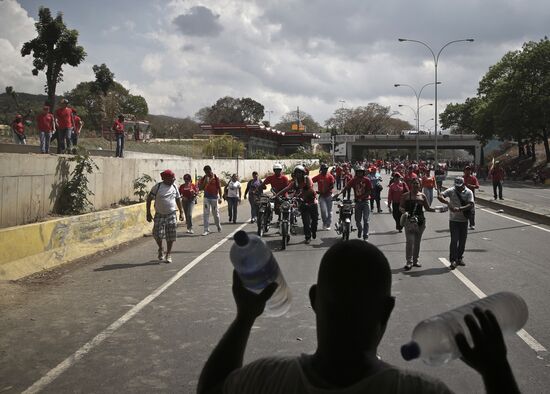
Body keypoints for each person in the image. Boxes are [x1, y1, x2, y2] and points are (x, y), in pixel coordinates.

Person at [198, 240, 520, 394]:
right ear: (387, 309)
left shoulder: (266, 379)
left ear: (314, 300)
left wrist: (244, 317)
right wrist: (496, 371)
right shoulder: (419, 391)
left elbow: (212, 388)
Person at [146, 169, 184, 263]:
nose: (173, 180)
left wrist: (181, 212)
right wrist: (148, 213)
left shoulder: (174, 187)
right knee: (157, 234)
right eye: (171, 178)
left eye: (174, 178)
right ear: (165, 179)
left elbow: (178, 199)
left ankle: (168, 254)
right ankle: (161, 248)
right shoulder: (157, 187)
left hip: (171, 214)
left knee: (170, 235)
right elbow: (149, 199)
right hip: (159, 214)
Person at [437, 177, 474, 270]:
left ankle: (459, 258)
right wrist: (446, 202)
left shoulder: (469, 192)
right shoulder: (451, 190)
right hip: (453, 220)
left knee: (462, 241)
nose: (457, 188)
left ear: (463, 185)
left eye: (460, 186)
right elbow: (440, 196)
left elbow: (471, 204)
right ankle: (453, 259)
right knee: (454, 240)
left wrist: (460, 209)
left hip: (464, 220)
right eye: (456, 186)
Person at [276, 165, 318, 244]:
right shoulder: (294, 183)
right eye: (297, 173)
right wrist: (277, 195)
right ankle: (308, 237)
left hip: (312, 202)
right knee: (306, 222)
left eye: (300, 173)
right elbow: (286, 189)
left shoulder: (307, 179)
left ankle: (314, 231)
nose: (298, 174)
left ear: (303, 173)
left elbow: (310, 189)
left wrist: (303, 197)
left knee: (314, 221)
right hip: (303, 204)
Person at [399, 178, 436, 270]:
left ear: (420, 185)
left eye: (417, 183)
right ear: (411, 185)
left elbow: (427, 208)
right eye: (414, 183)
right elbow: (400, 207)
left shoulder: (422, 196)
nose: (416, 185)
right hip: (409, 221)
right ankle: (409, 261)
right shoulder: (405, 195)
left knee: (417, 242)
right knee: (410, 241)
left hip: (420, 221)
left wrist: (439, 209)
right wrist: (404, 211)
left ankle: (415, 260)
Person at [334, 166, 372, 241]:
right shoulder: (354, 180)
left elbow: (369, 191)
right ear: (356, 173)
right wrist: (338, 194)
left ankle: (365, 236)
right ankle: (360, 230)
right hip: (357, 203)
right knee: (357, 220)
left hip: (365, 202)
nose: (360, 173)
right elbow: (346, 187)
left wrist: (363, 197)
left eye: (361, 172)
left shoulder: (367, 180)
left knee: (366, 220)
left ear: (363, 172)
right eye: (358, 172)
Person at [198, 165, 223, 236]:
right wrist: (205, 182)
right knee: (206, 214)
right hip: (206, 198)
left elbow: (219, 188)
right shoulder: (204, 178)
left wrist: (220, 197)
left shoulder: (216, 177)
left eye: (207, 172)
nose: (206, 173)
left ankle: (218, 225)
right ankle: (206, 229)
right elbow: (200, 188)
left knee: (215, 214)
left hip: (214, 198)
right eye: (205, 172)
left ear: (210, 170)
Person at [312, 163, 335, 231]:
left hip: (329, 196)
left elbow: (332, 185)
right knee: (323, 211)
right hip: (322, 197)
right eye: (324, 169)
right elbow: (311, 181)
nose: (325, 170)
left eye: (326, 169)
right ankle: (324, 223)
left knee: (330, 211)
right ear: (321, 170)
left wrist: (326, 190)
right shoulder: (319, 176)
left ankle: (328, 224)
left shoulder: (330, 176)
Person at [463, 165, 480, 230]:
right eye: (466, 170)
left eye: (469, 170)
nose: (468, 171)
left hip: (471, 197)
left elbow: (477, 186)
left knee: (472, 211)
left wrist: (471, 185)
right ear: (464, 171)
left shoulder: (473, 178)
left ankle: (472, 224)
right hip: (463, 197)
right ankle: (463, 224)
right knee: (463, 211)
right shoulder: (462, 178)